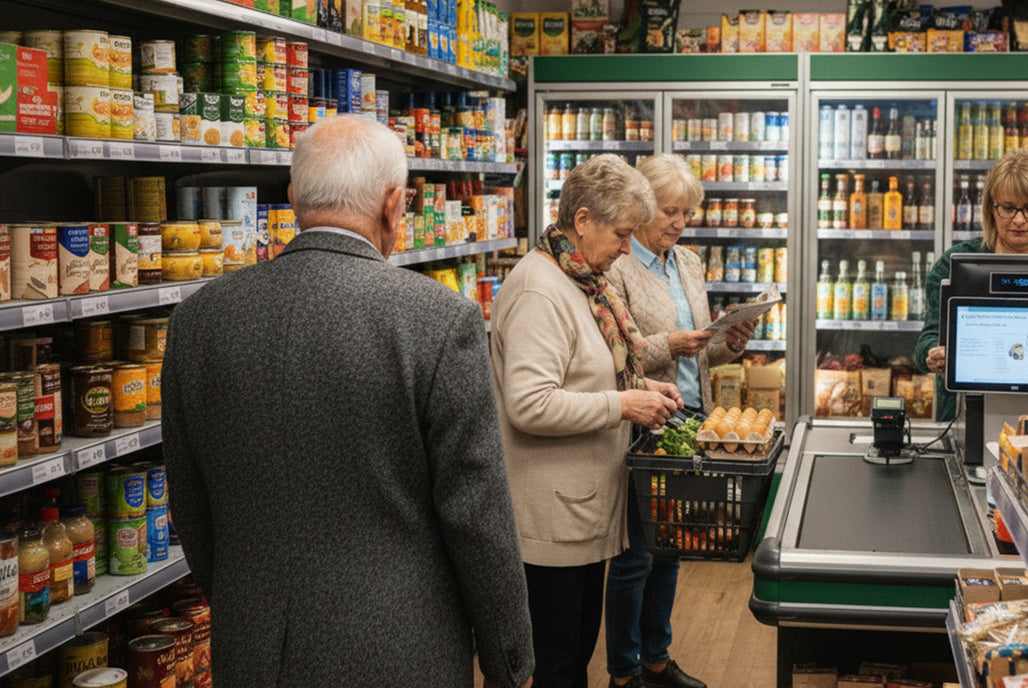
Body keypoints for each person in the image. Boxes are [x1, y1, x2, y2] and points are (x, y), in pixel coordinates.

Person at [162, 115, 534, 688]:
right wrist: (512, 662)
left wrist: (249, 601)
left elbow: (191, 507)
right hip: (400, 650)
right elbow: (477, 517)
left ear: (293, 199)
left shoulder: (198, 320)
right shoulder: (436, 321)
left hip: (250, 646)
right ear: (393, 204)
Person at [491, 154, 683, 688]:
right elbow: (529, 404)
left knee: (575, 659)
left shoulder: (581, 281)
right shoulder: (539, 290)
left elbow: (583, 376)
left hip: (581, 514)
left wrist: (640, 387)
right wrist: (623, 405)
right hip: (548, 524)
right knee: (555, 667)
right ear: (582, 221)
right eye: (622, 234)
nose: (627, 248)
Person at [603, 154, 755, 688]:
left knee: (673, 547)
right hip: (643, 421)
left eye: (687, 213)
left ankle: (657, 659)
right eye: (670, 210)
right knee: (636, 554)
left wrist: (728, 344)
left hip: (690, 416)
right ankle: (623, 671)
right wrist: (669, 344)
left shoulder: (687, 262)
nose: (679, 222)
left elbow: (702, 353)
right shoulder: (616, 267)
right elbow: (610, 356)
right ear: (641, 208)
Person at [915, 149, 1028, 421]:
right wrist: (931, 354)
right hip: (965, 418)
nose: (1018, 220)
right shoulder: (952, 264)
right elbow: (928, 337)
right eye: (1008, 208)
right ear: (991, 209)